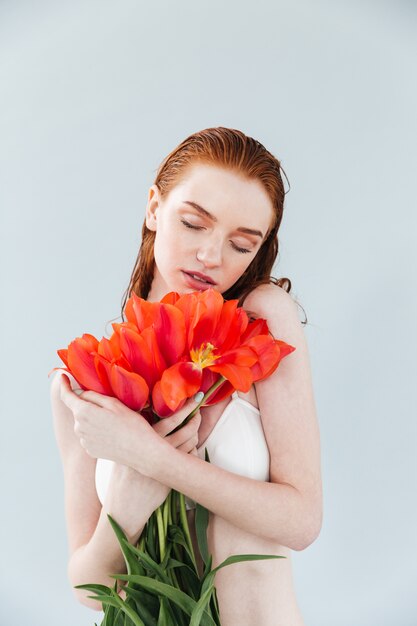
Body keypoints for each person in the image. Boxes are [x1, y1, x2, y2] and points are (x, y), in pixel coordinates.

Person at [51, 126, 323, 626]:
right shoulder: (89, 377)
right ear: (154, 207)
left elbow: (301, 521)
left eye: (242, 244)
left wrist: (153, 459)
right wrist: (125, 512)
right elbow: (89, 589)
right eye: (194, 224)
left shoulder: (261, 321)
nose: (212, 257)